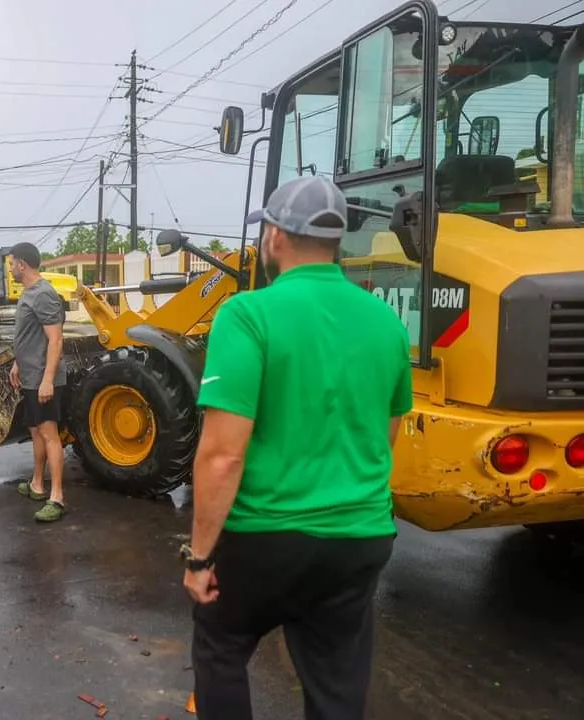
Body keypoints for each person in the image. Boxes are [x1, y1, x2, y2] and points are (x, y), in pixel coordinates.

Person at [183, 175, 413, 720]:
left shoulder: (247, 314)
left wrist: (199, 558)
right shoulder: (386, 321)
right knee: (337, 680)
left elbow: (222, 455)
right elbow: (388, 432)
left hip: (265, 538)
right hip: (358, 539)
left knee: (220, 646)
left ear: (275, 236)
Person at [7, 242, 67, 523]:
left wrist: (47, 381)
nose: (9, 268)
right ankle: (37, 485)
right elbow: (31, 335)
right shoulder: (29, 293)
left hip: (43, 378)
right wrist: (18, 362)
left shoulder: (43, 294)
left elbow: (55, 339)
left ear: (22, 264)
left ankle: (57, 497)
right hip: (30, 375)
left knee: (50, 435)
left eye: (11, 263)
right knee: (35, 431)